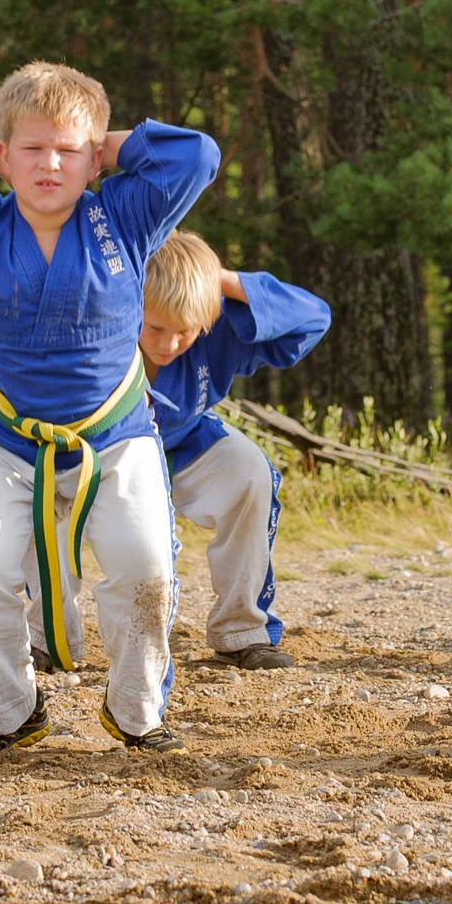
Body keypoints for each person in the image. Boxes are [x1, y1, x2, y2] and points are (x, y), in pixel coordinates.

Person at [0, 61, 219, 756]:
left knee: (145, 567)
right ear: (4, 158)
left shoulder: (126, 214)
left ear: (93, 159)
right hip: (5, 436)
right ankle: (7, 711)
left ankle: (135, 712)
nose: (50, 166)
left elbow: (198, 154)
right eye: (32, 150)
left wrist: (100, 144)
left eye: (68, 152)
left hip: (115, 435)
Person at [126, 230, 327, 670]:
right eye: (155, 326)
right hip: (109, 450)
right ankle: (48, 637)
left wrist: (220, 281)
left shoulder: (220, 327)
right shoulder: (107, 312)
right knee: (50, 486)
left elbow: (313, 318)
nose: (167, 343)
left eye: (185, 332)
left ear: (208, 320)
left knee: (250, 471)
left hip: (187, 441)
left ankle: (242, 630)